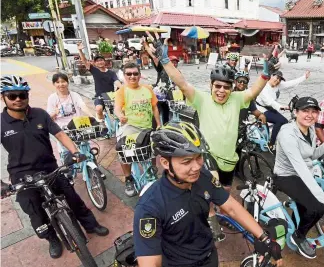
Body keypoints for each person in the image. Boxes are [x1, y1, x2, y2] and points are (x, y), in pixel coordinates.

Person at [144, 32, 280, 238]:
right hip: (208, 157)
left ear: (231, 88)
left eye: (226, 87)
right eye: (217, 86)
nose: (221, 91)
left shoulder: (237, 99)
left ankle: (218, 211)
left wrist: (265, 74)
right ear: (211, 86)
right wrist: (164, 60)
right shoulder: (201, 99)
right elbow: (181, 82)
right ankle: (210, 218)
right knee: (210, 187)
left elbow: (253, 92)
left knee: (224, 189)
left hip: (229, 158)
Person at [133, 122, 283, 267]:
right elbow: (149, 262)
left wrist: (264, 238)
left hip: (209, 256)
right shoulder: (150, 207)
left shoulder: (203, 177)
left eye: (199, 157)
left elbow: (231, 207)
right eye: (187, 162)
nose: (197, 166)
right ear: (166, 163)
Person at [0, 75, 109, 259]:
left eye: (22, 94)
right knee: (35, 212)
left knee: (73, 198)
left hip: (50, 168)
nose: (18, 99)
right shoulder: (1, 123)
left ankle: (91, 225)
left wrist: (75, 152)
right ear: (3, 97)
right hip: (21, 175)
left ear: (27, 95)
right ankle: (52, 239)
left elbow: (59, 134)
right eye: (12, 96)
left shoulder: (40, 114)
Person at [273, 97, 324, 259]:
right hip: (286, 175)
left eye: (314, 111)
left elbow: (311, 155)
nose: (310, 115)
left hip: (301, 173)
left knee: (307, 207)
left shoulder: (309, 130)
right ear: (295, 112)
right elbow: (300, 167)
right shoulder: (287, 134)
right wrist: (322, 197)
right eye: (305, 111)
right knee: (317, 207)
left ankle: (296, 226)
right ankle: (298, 236)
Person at [114, 63, 161, 196]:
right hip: (130, 126)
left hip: (147, 126)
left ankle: (152, 170)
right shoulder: (122, 91)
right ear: (124, 76)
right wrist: (120, 116)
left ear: (140, 75)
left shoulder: (148, 89)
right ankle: (128, 178)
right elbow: (117, 108)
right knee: (124, 151)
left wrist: (158, 123)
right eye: (129, 74)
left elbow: (154, 108)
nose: (132, 76)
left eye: (135, 73)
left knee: (152, 149)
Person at [256, 70, 310, 149]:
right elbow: (270, 102)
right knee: (280, 121)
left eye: (279, 79)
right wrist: (283, 107)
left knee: (285, 121)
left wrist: (304, 77)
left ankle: (279, 138)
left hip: (270, 109)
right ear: (272, 76)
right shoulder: (264, 88)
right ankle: (271, 143)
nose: (277, 81)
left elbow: (290, 83)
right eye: (276, 78)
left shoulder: (277, 85)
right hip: (261, 109)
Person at [47, 73, 94, 160]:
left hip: (78, 126)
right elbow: (48, 118)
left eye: (63, 81)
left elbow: (82, 105)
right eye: (57, 82)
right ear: (54, 84)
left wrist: (92, 116)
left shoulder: (75, 95)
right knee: (67, 152)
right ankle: (69, 172)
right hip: (63, 129)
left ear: (67, 82)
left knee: (87, 147)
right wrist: (55, 113)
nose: (61, 84)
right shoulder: (52, 98)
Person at [77, 42, 122, 121]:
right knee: (99, 109)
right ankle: (102, 122)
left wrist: (123, 88)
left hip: (110, 97)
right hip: (99, 96)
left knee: (119, 111)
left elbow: (117, 82)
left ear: (104, 62)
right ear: (95, 63)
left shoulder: (111, 73)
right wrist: (80, 51)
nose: (99, 62)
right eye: (97, 61)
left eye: (101, 60)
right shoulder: (94, 70)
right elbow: (84, 61)